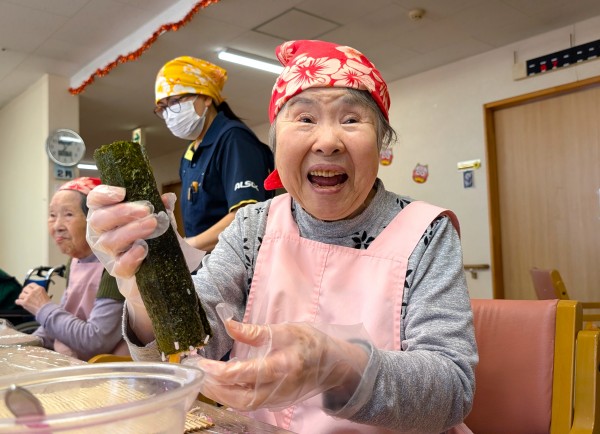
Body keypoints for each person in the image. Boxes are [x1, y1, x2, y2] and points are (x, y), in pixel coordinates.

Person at [86, 40, 477, 433]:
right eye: (304, 118)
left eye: (351, 119)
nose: (327, 141)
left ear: (381, 143)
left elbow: (453, 391)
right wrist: (143, 295)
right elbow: (189, 348)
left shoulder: (427, 233)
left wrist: (339, 367)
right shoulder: (252, 227)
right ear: (275, 143)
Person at [154, 56, 275, 252]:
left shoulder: (235, 139)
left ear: (206, 97)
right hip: (206, 263)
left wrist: (190, 246)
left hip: (238, 263)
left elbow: (247, 216)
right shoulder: (190, 154)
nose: (170, 113)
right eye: (163, 107)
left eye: (175, 101)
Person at [16, 177, 129, 361]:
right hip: (71, 361)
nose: (57, 226)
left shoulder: (117, 265)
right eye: (52, 215)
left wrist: (43, 308)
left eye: (68, 214)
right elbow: (64, 317)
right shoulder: (75, 261)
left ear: (96, 220)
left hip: (105, 370)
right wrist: (25, 343)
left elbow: (96, 341)